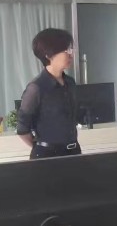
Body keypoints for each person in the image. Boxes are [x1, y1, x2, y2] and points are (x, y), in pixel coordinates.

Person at [16, 28, 81, 159]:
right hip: (47, 155)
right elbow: (22, 129)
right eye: (66, 51)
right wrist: (41, 147)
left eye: (71, 50)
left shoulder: (70, 82)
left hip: (74, 151)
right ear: (48, 55)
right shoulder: (36, 87)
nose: (71, 55)